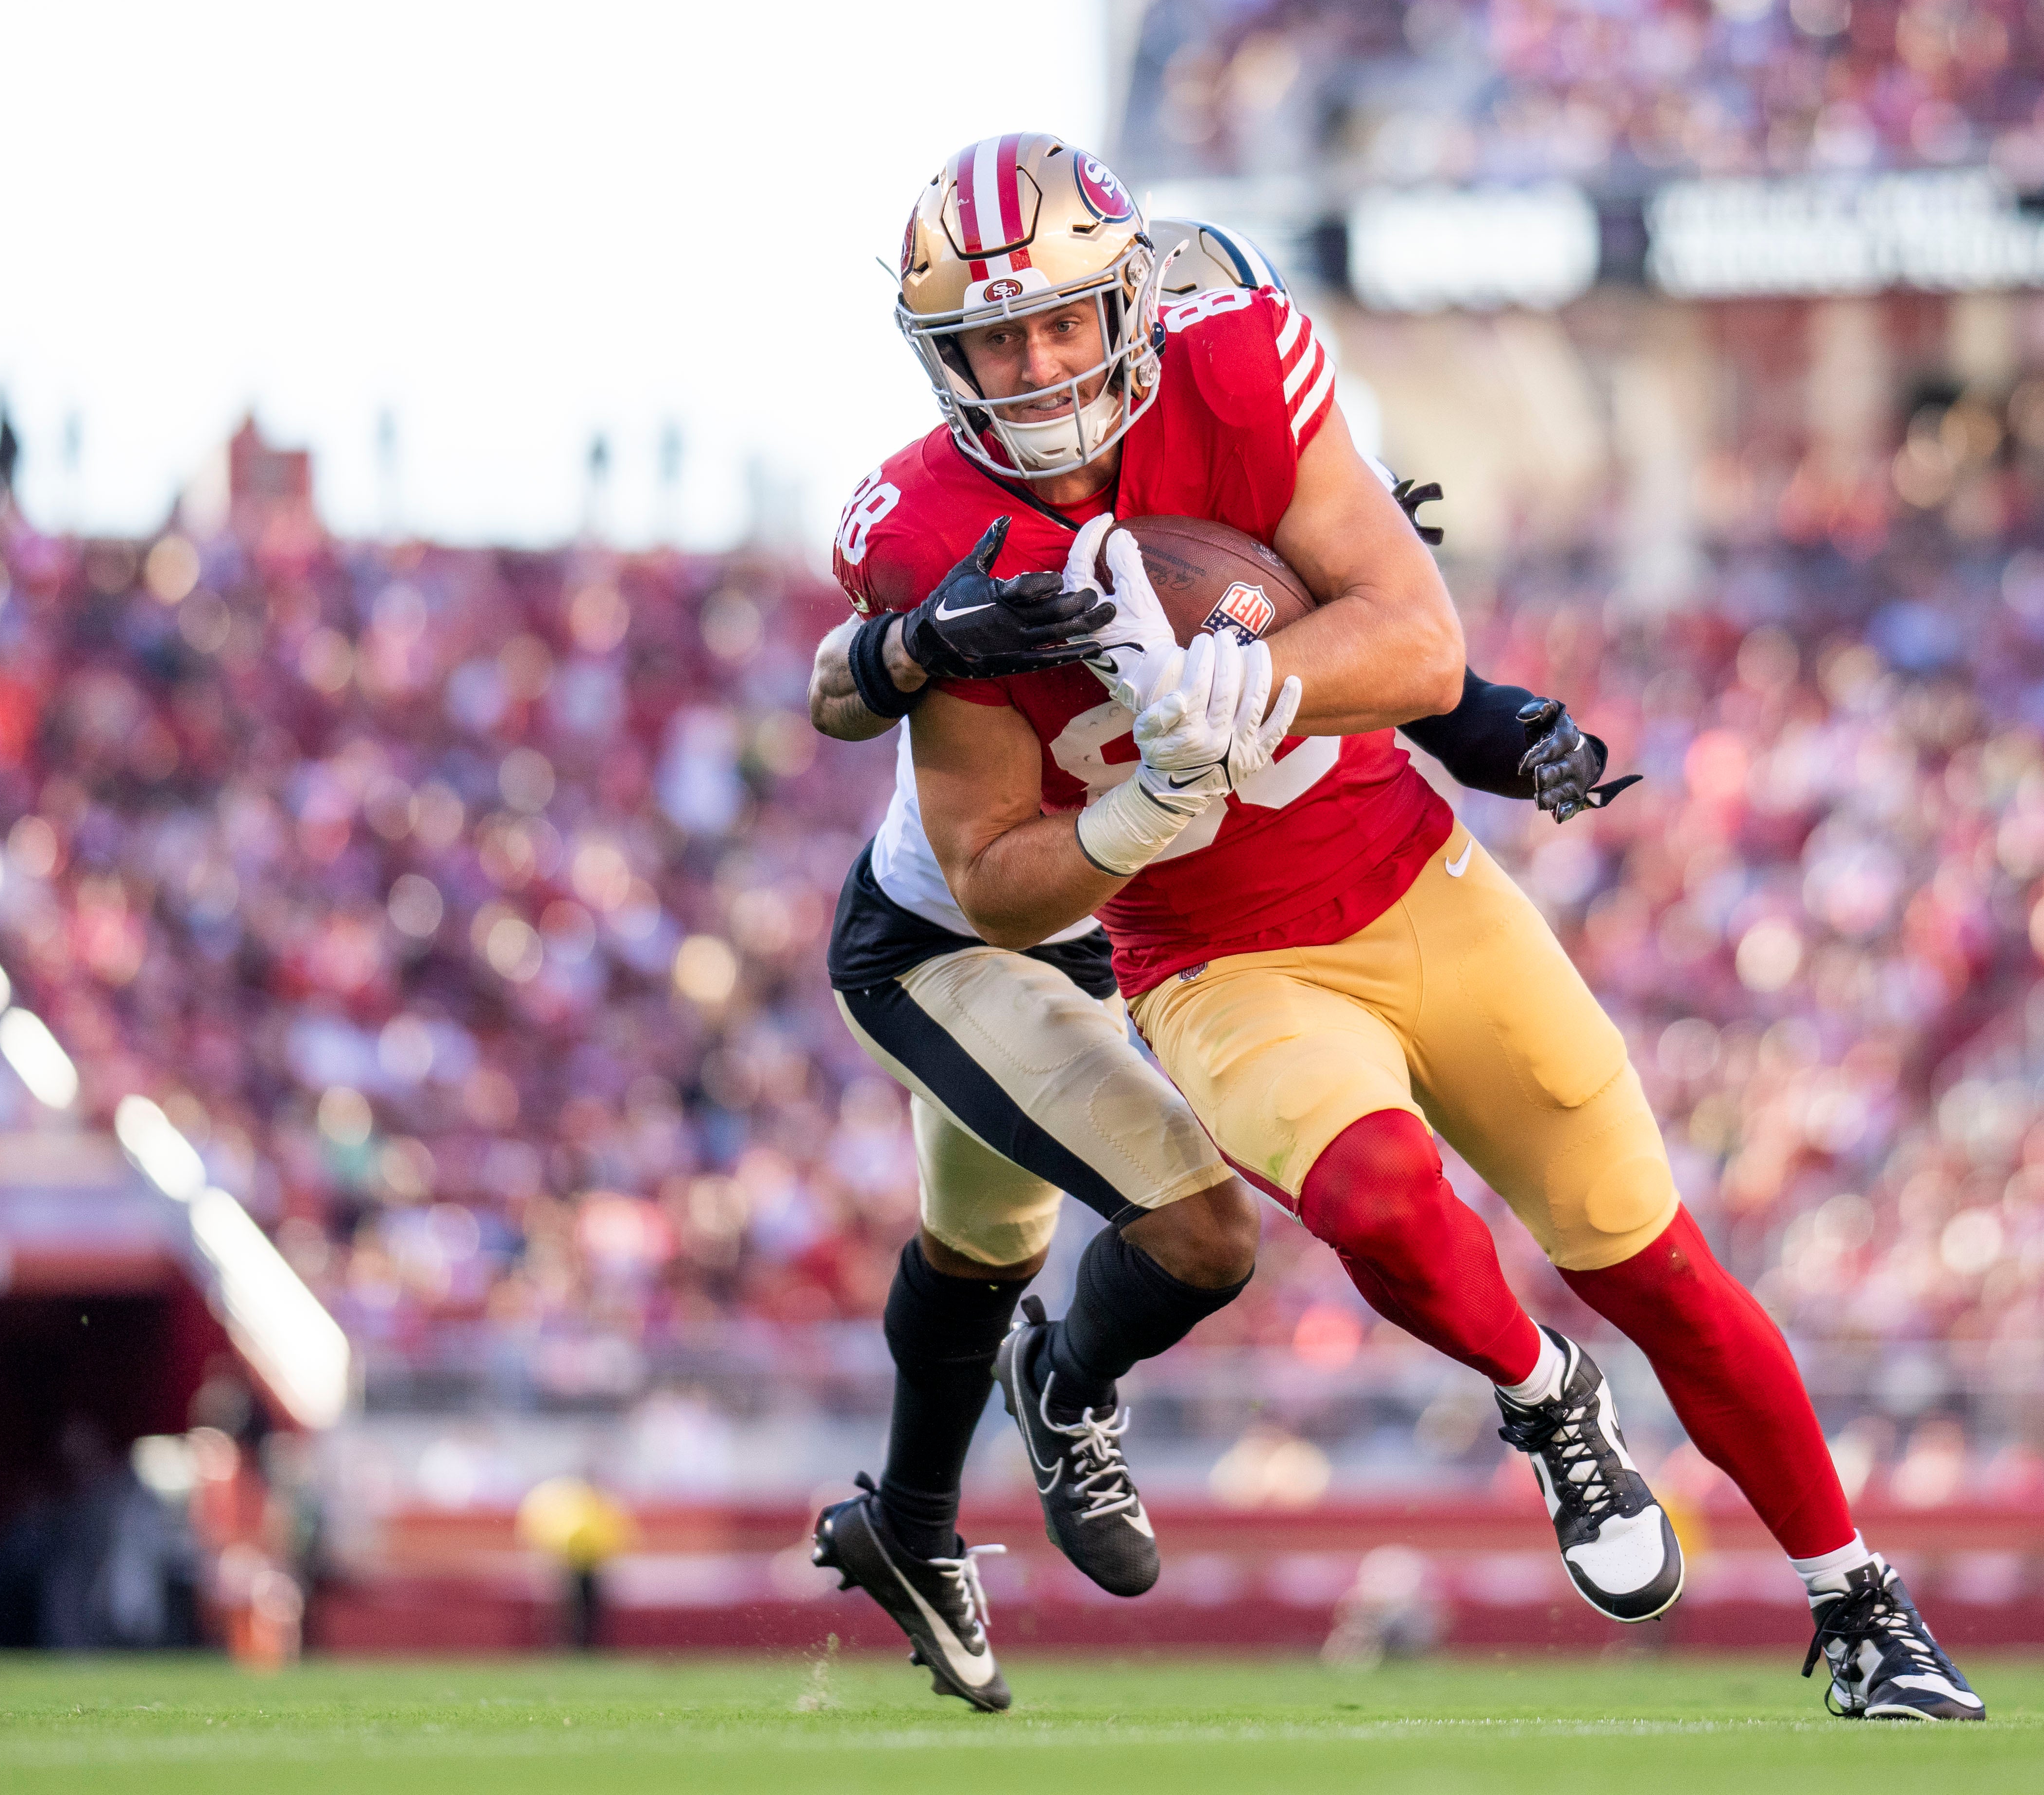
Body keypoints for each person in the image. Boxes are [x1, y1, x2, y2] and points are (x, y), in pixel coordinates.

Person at [859, 132, 1984, 1721]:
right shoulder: (926, 533)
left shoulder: (1238, 369)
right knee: (1375, 1192)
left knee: (1653, 1258)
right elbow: (986, 872)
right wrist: (1126, 809)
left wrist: (1257, 684)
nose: (1037, 368)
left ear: (1135, 298)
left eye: (1061, 320)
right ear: (941, 358)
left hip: (1406, 876)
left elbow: (1417, 640)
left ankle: (1858, 1600)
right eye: (994, 337)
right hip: (1209, 947)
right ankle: (1546, 1408)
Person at [804, 213, 1630, 1712]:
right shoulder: (961, 516)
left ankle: (913, 1524)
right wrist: (923, 643)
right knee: (1194, 1233)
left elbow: (1396, 678)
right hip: (960, 930)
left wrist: (1516, 730)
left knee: (980, 1242)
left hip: (1112, 930)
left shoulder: (1253, 468)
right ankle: (1060, 1397)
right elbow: (840, 691)